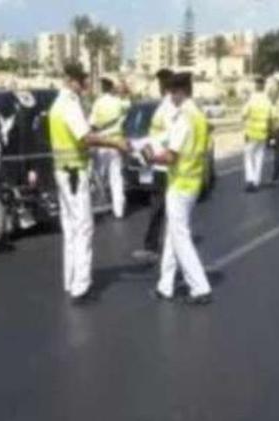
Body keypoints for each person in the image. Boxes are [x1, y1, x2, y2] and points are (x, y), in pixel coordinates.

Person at [49, 64, 127, 303]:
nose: (85, 84)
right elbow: (85, 138)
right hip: (74, 173)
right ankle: (81, 288)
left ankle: (70, 280)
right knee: (83, 228)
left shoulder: (57, 104)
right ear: (72, 81)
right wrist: (115, 143)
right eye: (82, 80)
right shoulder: (70, 105)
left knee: (71, 229)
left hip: (62, 172)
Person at [145, 72, 213, 305]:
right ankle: (165, 286)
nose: (170, 97)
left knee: (181, 238)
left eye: (173, 92)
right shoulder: (199, 115)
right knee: (173, 236)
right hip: (192, 182)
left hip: (180, 184)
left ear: (182, 91)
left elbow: (171, 156)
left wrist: (151, 158)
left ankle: (200, 287)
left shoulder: (184, 118)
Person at [132, 68, 176, 264]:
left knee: (160, 207)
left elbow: (170, 138)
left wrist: (152, 152)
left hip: (164, 165)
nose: (159, 86)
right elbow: (156, 136)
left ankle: (155, 248)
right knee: (159, 207)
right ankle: (157, 246)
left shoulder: (170, 108)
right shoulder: (164, 106)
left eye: (161, 82)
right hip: (158, 164)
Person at [90, 77, 130, 219]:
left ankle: (100, 204)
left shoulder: (97, 103)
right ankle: (119, 210)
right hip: (116, 143)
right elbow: (128, 101)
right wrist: (124, 88)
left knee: (100, 175)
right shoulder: (119, 103)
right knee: (116, 177)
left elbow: (92, 124)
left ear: (103, 87)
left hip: (102, 143)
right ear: (112, 87)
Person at [241, 77, 275, 192]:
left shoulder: (251, 99)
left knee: (248, 157)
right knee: (259, 158)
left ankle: (250, 180)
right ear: (264, 86)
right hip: (263, 133)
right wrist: (271, 134)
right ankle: (256, 182)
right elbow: (271, 118)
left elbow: (243, 115)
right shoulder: (268, 100)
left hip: (251, 133)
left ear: (256, 86)